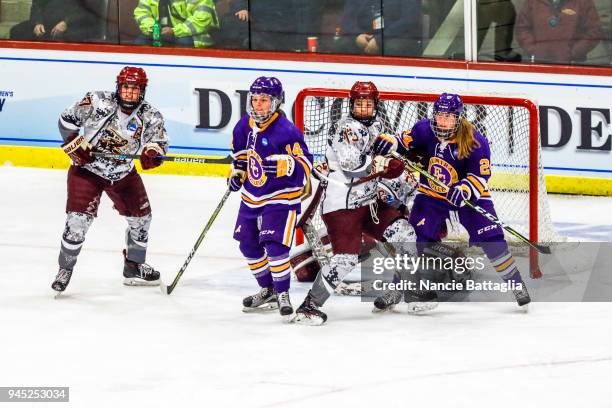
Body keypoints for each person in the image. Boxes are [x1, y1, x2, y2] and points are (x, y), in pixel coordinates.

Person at [292, 81, 437, 326]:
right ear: (351, 104)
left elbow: (386, 155)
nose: (363, 108)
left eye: (368, 104)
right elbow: (351, 166)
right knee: (345, 260)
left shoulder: (377, 126)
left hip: (369, 202)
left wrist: (396, 159)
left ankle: (400, 291)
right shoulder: (345, 128)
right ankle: (309, 306)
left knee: (404, 233)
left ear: (375, 105)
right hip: (343, 206)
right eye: (359, 103)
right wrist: (382, 165)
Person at [394, 93, 531, 307]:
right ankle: (399, 288)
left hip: (469, 199)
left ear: (458, 118)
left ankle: (516, 284)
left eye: (448, 117)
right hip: (432, 195)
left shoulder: (476, 141)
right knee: (414, 238)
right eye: (439, 116)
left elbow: (481, 176)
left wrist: (466, 188)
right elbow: (399, 142)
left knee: (492, 239)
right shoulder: (423, 129)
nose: (443, 121)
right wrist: (389, 144)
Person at [52, 66, 169, 294]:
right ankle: (64, 269)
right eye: (126, 87)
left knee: (142, 220)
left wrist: (153, 153)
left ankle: (134, 266)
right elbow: (66, 120)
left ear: (142, 91)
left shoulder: (150, 115)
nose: (129, 93)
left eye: (135, 89)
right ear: (119, 87)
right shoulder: (98, 102)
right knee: (77, 223)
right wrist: (74, 144)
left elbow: (159, 142)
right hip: (87, 171)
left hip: (123, 173)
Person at [229, 76, 313, 319]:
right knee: (248, 244)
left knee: (275, 246)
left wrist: (289, 165)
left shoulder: (287, 131)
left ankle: (283, 293)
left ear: (276, 102)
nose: (258, 105)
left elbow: (306, 163)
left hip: (281, 199)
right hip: (252, 197)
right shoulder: (243, 126)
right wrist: (236, 173)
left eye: (264, 100)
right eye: (254, 100)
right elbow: (241, 158)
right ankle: (268, 290)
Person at [515, 0, 601, 64]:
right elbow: (522, 29)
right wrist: (535, 50)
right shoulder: (532, 2)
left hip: (572, 67)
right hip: (537, 65)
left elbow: (593, 32)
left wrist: (572, 53)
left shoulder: (583, 2)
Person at [339, 0, 423, 56]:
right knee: (340, 45)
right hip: (365, 35)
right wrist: (357, 35)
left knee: (391, 48)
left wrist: (379, 40)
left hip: (397, 36)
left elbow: (409, 20)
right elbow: (347, 19)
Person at [134, 0, 219, 48]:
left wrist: (174, 31)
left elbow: (201, 20)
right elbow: (141, 13)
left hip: (196, 36)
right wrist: (151, 27)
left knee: (182, 43)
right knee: (140, 42)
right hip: (161, 34)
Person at [9, 0, 99, 42]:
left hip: (73, 25)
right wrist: (37, 23)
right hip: (45, 25)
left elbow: (87, 10)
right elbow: (36, 5)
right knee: (16, 31)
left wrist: (67, 23)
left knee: (68, 37)